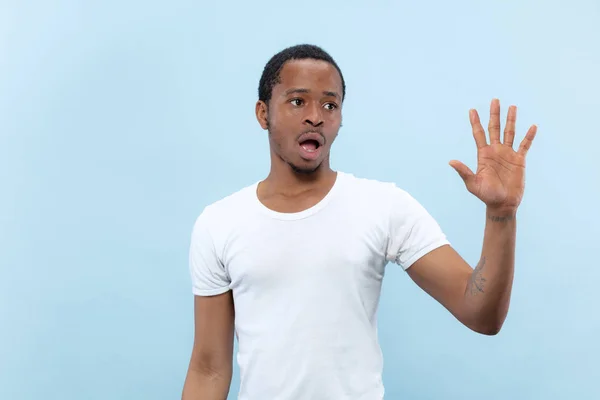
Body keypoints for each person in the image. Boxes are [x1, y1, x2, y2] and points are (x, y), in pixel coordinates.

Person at [181, 44, 537, 400]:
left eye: (330, 105)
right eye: (297, 101)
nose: (316, 117)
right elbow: (209, 368)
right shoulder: (220, 223)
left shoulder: (384, 206)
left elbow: (481, 314)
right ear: (263, 113)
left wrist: (501, 215)